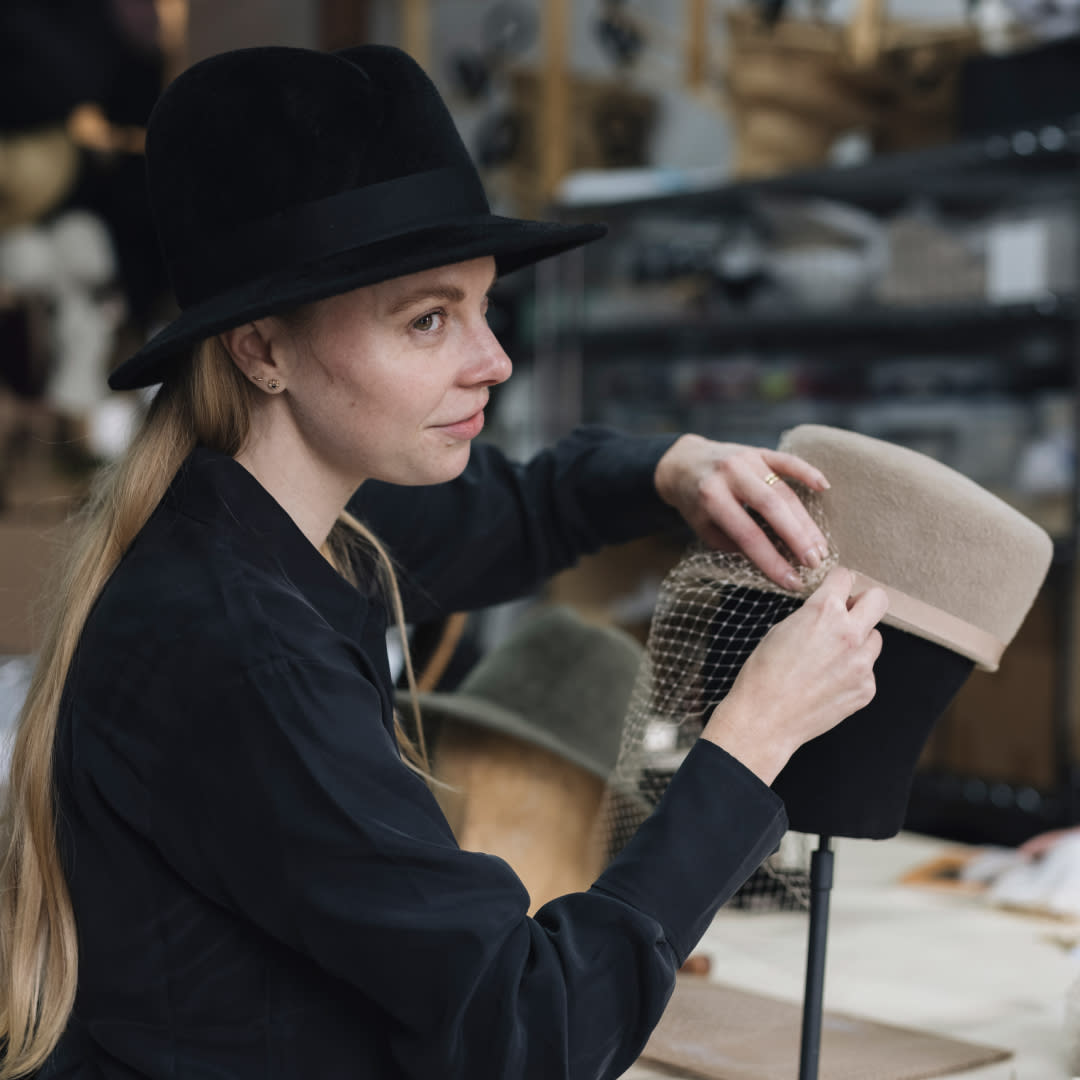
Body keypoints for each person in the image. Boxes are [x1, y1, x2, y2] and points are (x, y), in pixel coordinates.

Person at [0, 45, 888, 1080]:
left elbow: (511, 510)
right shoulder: (242, 648)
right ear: (261, 351)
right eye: (428, 319)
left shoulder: (278, 524)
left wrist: (669, 471)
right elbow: (530, 1034)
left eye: (481, 306)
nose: (493, 360)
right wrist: (752, 740)